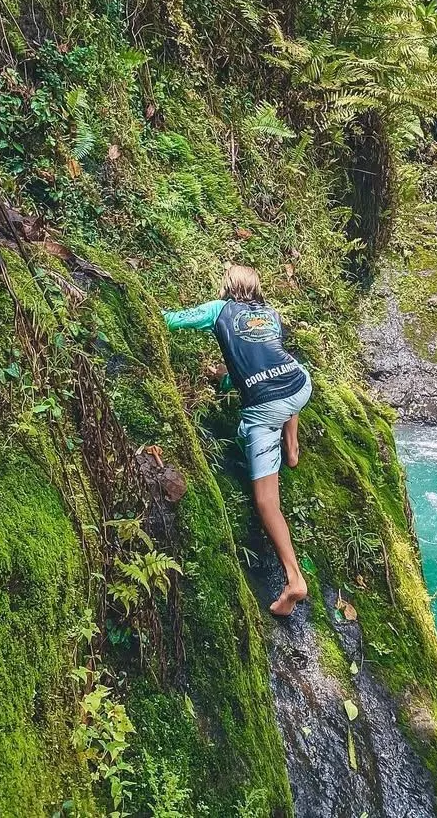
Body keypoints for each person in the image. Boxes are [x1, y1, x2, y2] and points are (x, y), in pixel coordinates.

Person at [162, 264, 312, 616]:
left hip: (264, 411)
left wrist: (146, 310)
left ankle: (294, 580)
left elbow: (173, 320)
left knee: (265, 502)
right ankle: (292, 448)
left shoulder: (219, 311)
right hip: (300, 384)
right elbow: (263, 358)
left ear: (227, 287)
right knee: (285, 377)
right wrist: (225, 378)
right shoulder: (272, 315)